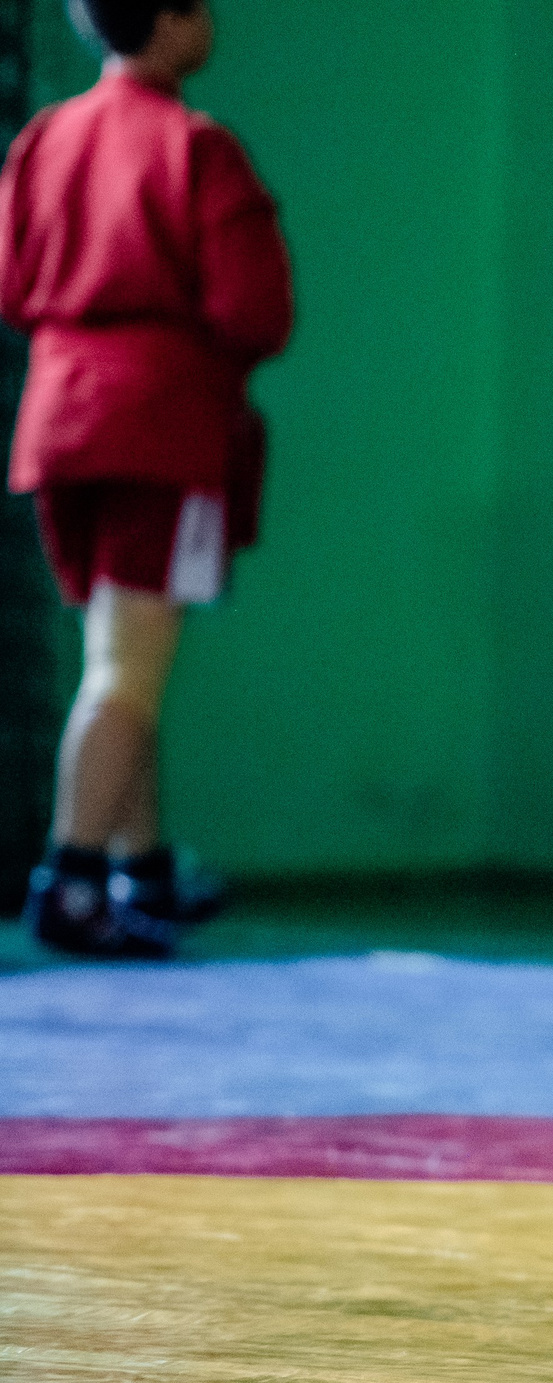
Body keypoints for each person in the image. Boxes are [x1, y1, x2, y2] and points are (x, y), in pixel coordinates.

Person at [3, 0, 290, 959]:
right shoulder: (196, 147)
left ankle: (143, 868)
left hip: (59, 421)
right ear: (167, 19)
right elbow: (256, 310)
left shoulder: (44, 139)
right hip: (160, 427)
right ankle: (72, 879)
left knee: (120, 654)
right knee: (127, 669)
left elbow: (11, 282)